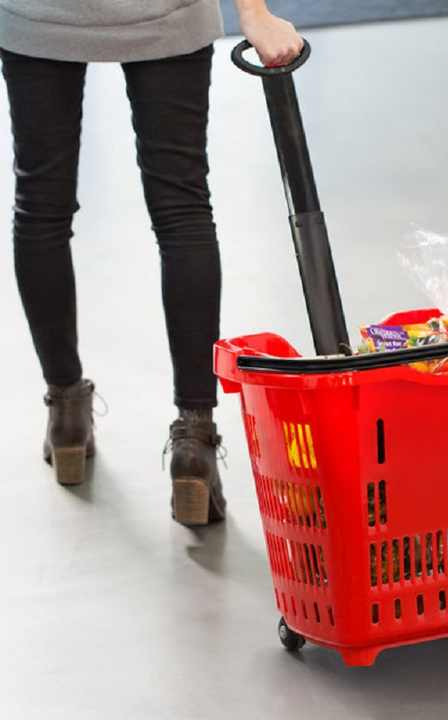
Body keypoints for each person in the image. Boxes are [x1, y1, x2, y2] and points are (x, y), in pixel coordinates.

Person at [0, 1, 303, 525]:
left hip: (39, 13)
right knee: (183, 210)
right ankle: (195, 438)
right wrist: (254, 11)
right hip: (164, 11)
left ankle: (66, 412)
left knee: (41, 208)